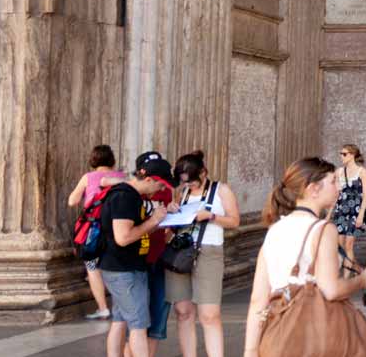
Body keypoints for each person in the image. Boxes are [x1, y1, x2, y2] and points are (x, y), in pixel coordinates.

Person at [241, 157, 366, 357]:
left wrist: (250, 350)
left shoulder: (275, 230)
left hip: (278, 336)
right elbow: (331, 289)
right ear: (313, 189)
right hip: (313, 335)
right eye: (333, 182)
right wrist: (362, 280)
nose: (338, 187)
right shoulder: (323, 230)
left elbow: (258, 299)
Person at [167, 151, 241, 357]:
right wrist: (173, 211)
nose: (188, 186)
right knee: (183, 312)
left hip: (209, 252)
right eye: (184, 183)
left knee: (209, 314)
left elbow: (234, 221)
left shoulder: (221, 190)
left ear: (203, 172)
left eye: (191, 182)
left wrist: (210, 216)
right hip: (181, 252)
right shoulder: (182, 193)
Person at [99, 161, 177, 357]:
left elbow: (135, 230)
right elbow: (123, 237)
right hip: (123, 270)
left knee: (120, 320)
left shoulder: (129, 195)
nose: (160, 190)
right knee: (139, 325)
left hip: (124, 267)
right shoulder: (125, 197)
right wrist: (153, 220)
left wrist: (160, 221)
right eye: (159, 185)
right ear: (149, 179)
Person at [68, 144, 125, 320]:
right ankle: (122, 306)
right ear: (112, 160)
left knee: (92, 268)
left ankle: (102, 308)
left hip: (95, 230)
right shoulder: (121, 177)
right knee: (116, 266)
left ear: (93, 160)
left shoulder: (89, 177)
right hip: (118, 227)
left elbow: (72, 201)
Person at [332, 145, 366, 262]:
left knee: (349, 245)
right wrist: (330, 213)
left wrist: (361, 215)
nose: (341, 156)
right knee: (340, 245)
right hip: (340, 210)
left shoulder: (362, 172)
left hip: (355, 211)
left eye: (344, 154)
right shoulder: (338, 172)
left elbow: (365, 195)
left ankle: (348, 277)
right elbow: (336, 193)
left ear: (352, 155)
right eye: (340, 153)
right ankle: (349, 272)